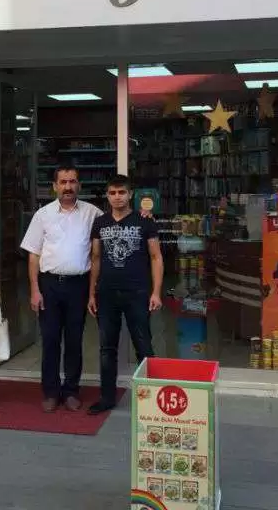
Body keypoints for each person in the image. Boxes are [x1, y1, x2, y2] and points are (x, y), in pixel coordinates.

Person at [21, 164, 102, 412]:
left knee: (75, 340)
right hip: (49, 286)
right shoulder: (42, 215)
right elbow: (33, 255)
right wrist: (35, 290)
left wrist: (143, 215)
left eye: (72, 181)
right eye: (63, 182)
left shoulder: (93, 213)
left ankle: (71, 391)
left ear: (79, 185)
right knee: (50, 340)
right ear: (55, 186)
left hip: (78, 285)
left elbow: (116, 224)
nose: (68, 187)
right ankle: (50, 392)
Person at [87, 175, 163, 415]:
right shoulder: (100, 222)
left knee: (143, 345)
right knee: (107, 348)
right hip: (106, 294)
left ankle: (152, 400)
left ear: (130, 194)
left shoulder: (144, 221)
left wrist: (156, 292)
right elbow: (95, 258)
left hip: (137, 292)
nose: (117, 197)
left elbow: (156, 257)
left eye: (121, 192)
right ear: (107, 195)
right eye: (112, 193)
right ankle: (107, 397)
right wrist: (91, 294)